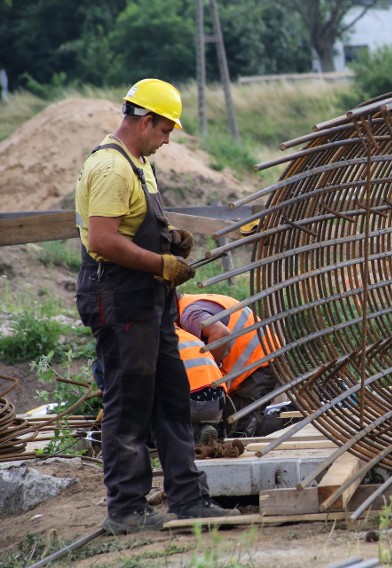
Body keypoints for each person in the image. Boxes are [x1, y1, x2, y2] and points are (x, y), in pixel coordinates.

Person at [75, 78, 238, 534]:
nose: (168, 140)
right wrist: (161, 263)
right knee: (129, 405)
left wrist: (171, 244)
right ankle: (126, 509)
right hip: (119, 300)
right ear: (146, 121)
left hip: (149, 302)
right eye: (166, 130)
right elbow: (105, 240)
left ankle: (188, 499)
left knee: (170, 399)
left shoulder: (139, 163)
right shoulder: (110, 168)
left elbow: (132, 228)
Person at [176, 292, 285, 437]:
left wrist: (215, 372)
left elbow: (220, 333)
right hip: (257, 360)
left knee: (241, 432)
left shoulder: (190, 314)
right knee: (229, 427)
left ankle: (292, 415)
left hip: (261, 363)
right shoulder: (192, 303)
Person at [175, 326, 229, 445]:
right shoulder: (189, 336)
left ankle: (189, 434)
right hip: (217, 403)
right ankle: (200, 431)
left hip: (189, 403)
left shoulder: (152, 338)